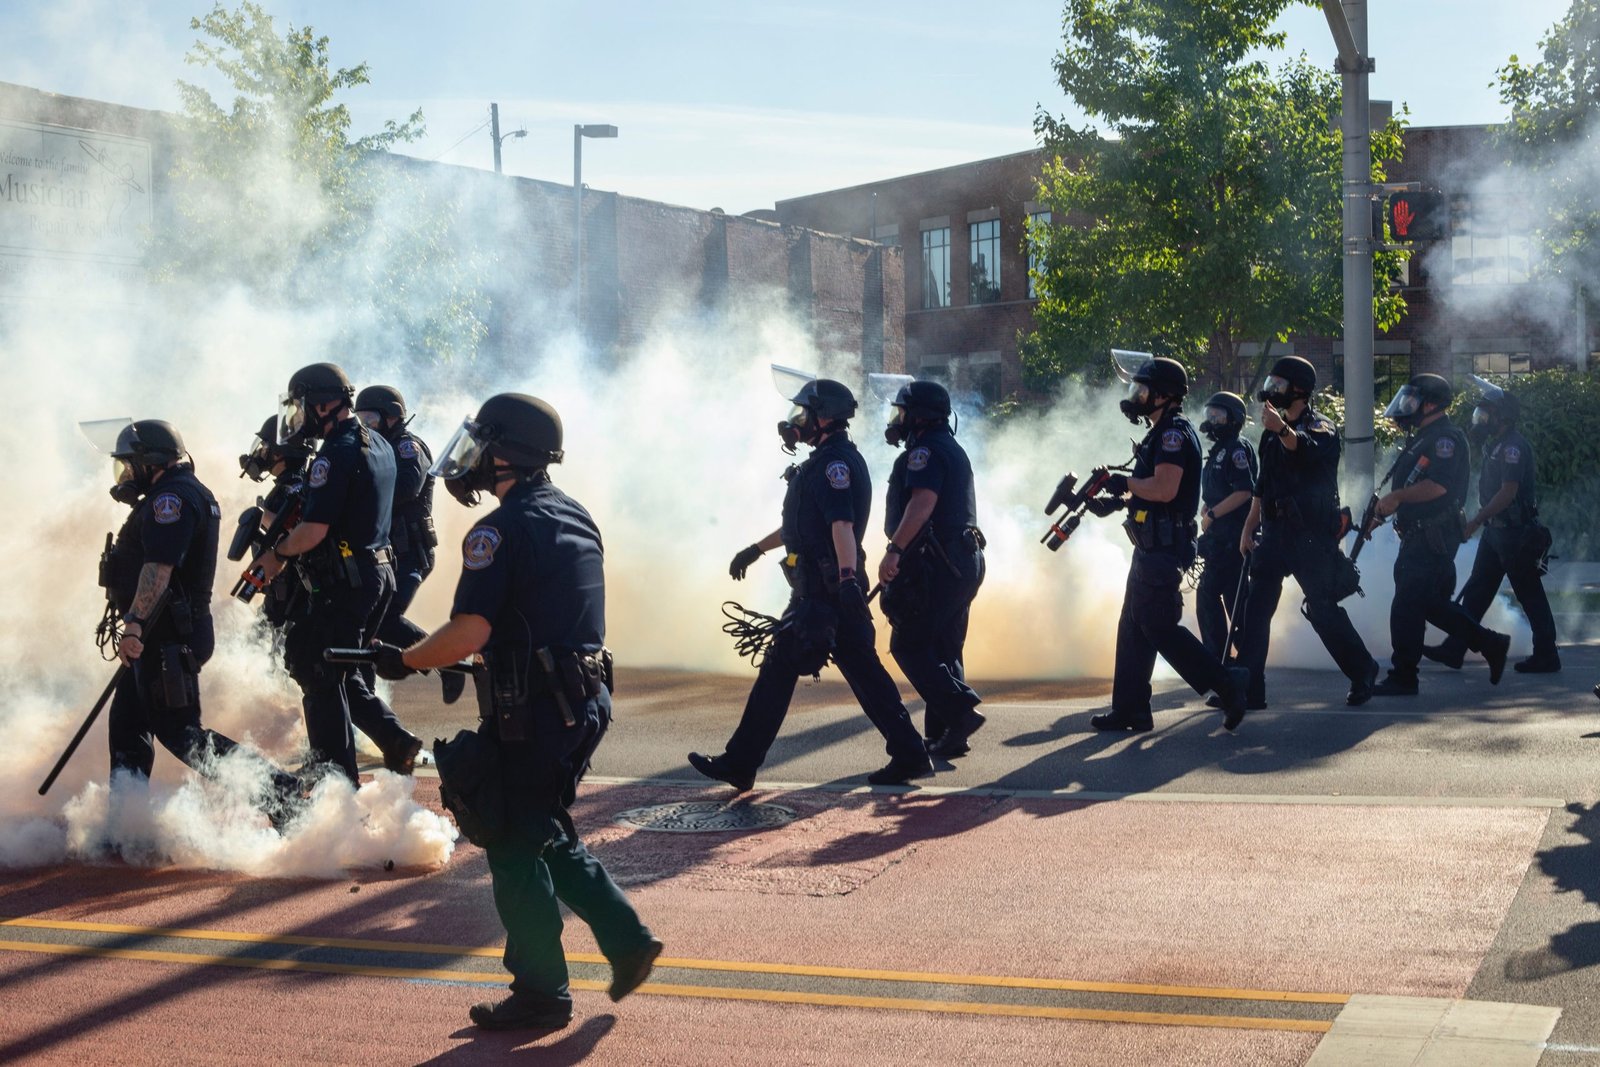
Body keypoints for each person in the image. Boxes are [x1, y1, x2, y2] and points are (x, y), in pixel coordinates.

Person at [370, 392, 661, 1031]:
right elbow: (538, 620)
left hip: (534, 710)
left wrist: (407, 660)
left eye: (483, 443)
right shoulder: (574, 513)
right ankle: (612, 948)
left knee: (513, 841)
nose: (472, 457)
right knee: (535, 833)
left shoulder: (497, 530)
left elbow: (471, 629)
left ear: (507, 453)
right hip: (579, 703)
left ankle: (552, 989)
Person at [691, 378, 935, 790]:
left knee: (781, 668)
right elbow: (801, 526)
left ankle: (741, 762)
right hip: (829, 588)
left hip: (824, 592)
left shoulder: (832, 465)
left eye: (804, 413)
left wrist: (843, 584)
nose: (796, 422)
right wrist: (756, 548)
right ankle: (910, 753)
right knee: (863, 672)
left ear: (824, 418)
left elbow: (842, 526)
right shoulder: (828, 459)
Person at [98, 420, 300, 821]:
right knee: (127, 724)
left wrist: (135, 622)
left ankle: (282, 794)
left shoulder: (170, 500)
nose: (125, 474)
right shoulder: (175, 492)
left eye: (130, 464)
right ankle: (127, 822)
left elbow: (160, 568)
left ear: (151, 461)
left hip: (166, 636)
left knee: (182, 735)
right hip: (164, 634)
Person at [245, 362, 422, 782]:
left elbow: (313, 531)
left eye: (302, 406)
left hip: (348, 579)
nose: (298, 416)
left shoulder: (334, 453)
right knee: (335, 673)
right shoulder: (377, 442)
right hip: (378, 574)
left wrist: (277, 555)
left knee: (314, 666)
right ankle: (361, 760)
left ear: (324, 405)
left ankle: (336, 785)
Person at [1087, 354, 1248, 732]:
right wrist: (1118, 501)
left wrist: (1123, 483)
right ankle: (1131, 709)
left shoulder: (1173, 433)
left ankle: (1227, 683)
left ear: (1165, 395)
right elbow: (1153, 493)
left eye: (1144, 390)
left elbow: (1165, 488)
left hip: (1162, 548)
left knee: (1157, 625)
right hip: (1149, 544)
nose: (1137, 396)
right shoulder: (1159, 432)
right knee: (1133, 625)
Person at [1236, 357, 1380, 708]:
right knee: (1256, 610)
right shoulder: (1272, 435)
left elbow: (1305, 448)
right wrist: (1248, 527)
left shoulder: (1322, 428)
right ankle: (1249, 689)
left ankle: (1363, 671)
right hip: (1274, 534)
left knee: (1322, 608)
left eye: (1280, 385)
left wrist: (1281, 430)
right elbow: (1262, 485)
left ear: (1300, 390)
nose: (1273, 390)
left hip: (1309, 537)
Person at [1369, 373, 1511, 696]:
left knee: (1407, 604)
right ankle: (1490, 643)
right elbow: (1409, 487)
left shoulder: (1445, 439)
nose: (1406, 405)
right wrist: (1382, 513)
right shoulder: (1424, 437)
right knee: (1428, 604)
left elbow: (1438, 486)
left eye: (1413, 399)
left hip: (1432, 535)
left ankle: (1404, 676)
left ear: (1430, 404)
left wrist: (1398, 499)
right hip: (1422, 534)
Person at [876, 379, 987, 759]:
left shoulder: (924, 451)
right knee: (943, 645)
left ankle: (959, 712)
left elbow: (922, 504)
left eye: (903, 413)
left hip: (939, 562)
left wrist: (893, 551)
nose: (898, 420)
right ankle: (948, 735)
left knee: (906, 643)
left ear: (920, 416)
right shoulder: (948, 447)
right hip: (961, 560)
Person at [1424, 377, 1559, 673]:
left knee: (1529, 594)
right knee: (1477, 590)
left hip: (1515, 533)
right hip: (1497, 533)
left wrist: (1476, 520)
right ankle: (1455, 647)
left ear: (1503, 417)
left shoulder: (1513, 447)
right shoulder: (1497, 445)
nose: (1480, 419)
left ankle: (1547, 654)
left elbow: (1508, 492)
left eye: (1487, 413)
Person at [353, 385, 462, 704]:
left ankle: (447, 661)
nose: (366, 426)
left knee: (384, 621)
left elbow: (407, 487)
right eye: (361, 420)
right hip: (386, 552)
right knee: (370, 623)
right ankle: (368, 694)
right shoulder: (374, 450)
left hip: (410, 551)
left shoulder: (407, 446)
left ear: (392, 418)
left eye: (371, 419)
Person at [1194, 392, 1256, 663]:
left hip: (1232, 538)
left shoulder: (1236, 449)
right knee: (1234, 599)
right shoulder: (1218, 450)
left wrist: (1215, 514)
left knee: (1208, 594)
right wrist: (1208, 509)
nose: (1212, 420)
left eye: (1218, 415)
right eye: (1210, 414)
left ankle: (1218, 659)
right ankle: (1244, 658)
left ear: (1234, 419)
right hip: (1220, 536)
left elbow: (1244, 491)